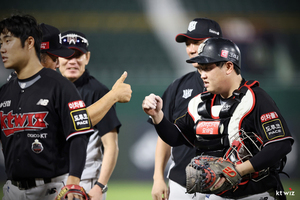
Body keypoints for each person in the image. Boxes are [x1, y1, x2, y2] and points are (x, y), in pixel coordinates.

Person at [142, 37, 293, 200]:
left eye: (207, 68)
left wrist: (239, 170)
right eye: (200, 69)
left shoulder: (255, 99)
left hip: (258, 193)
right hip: (219, 195)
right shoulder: (200, 103)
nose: (202, 75)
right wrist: (158, 116)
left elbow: (280, 145)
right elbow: (176, 136)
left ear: (228, 66)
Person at [0, 14, 94, 200]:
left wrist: (73, 183)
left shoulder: (61, 86)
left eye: (8, 41)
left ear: (29, 43)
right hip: (12, 190)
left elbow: (79, 136)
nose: (2, 48)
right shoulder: (5, 91)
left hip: (52, 190)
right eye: (1, 42)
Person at [150, 18, 222, 200]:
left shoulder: (234, 88)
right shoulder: (177, 87)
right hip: (181, 183)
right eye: (188, 43)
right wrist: (158, 177)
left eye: (197, 43)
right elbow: (165, 137)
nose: (191, 49)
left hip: (223, 182)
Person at [59, 30, 120, 200]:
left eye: (78, 55)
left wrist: (100, 186)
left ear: (87, 57)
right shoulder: (50, 90)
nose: (72, 61)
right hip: (54, 182)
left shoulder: (97, 92)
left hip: (86, 181)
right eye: (66, 55)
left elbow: (111, 145)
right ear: (57, 59)